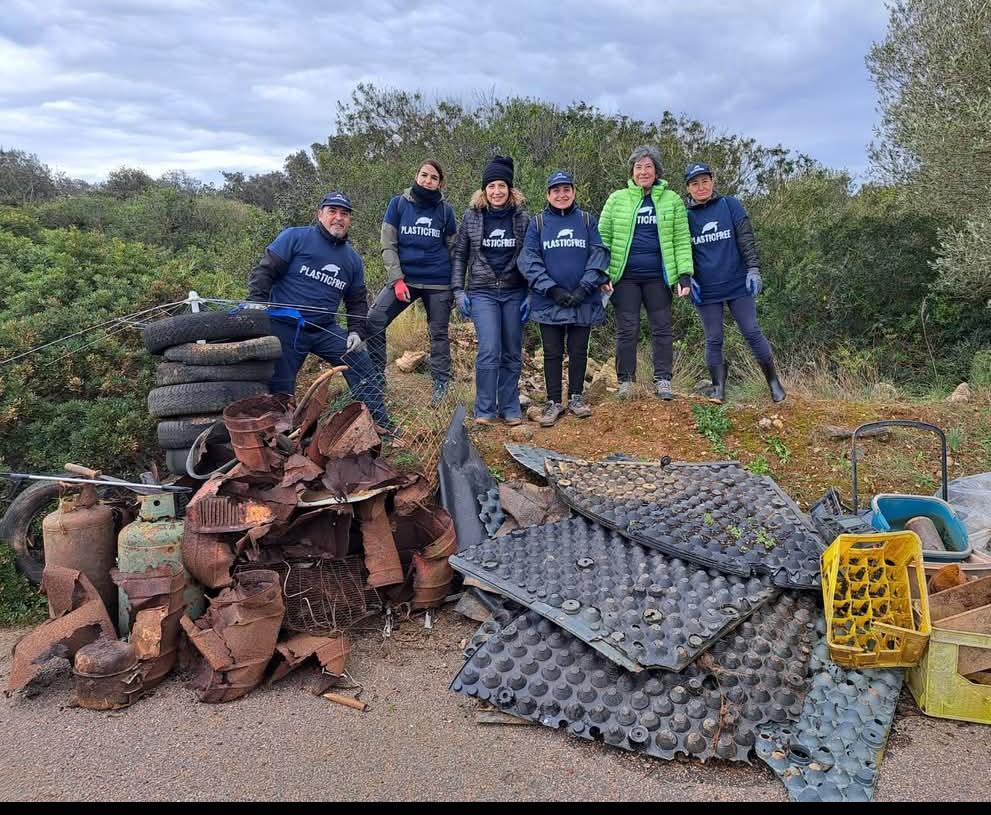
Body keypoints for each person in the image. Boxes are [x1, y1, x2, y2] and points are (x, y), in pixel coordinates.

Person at [246, 190, 391, 426]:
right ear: (320, 215)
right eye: (332, 211)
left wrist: (356, 331)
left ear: (350, 220)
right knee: (280, 386)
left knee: (362, 364)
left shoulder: (352, 259)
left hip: (324, 328)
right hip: (285, 326)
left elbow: (356, 301)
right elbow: (265, 271)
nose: (338, 218)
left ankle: (381, 424)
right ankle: (279, 433)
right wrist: (256, 300)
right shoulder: (295, 237)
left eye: (344, 213)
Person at [683, 162, 785, 403]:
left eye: (705, 181)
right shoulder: (685, 217)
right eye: (695, 184)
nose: (701, 187)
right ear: (688, 188)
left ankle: (773, 382)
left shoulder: (730, 205)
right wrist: (686, 277)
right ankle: (718, 387)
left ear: (713, 181)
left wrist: (754, 269)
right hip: (706, 289)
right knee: (714, 337)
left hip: (738, 284)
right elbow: (680, 250)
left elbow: (746, 239)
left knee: (751, 330)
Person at [599, 145, 694, 401]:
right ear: (632, 171)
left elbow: (682, 239)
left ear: (657, 171)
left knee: (662, 328)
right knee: (627, 329)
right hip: (625, 277)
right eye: (638, 167)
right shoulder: (616, 199)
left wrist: (684, 274)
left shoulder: (672, 200)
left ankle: (663, 379)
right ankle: (626, 381)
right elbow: (602, 238)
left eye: (648, 167)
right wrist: (602, 272)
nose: (643, 171)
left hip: (658, 277)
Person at [518, 170, 610, 426]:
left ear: (574, 192)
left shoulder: (586, 220)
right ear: (548, 194)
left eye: (566, 189)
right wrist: (552, 289)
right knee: (551, 352)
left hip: (583, 298)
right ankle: (553, 401)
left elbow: (599, 254)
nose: (561, 194)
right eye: (556, 190)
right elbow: (529, 259)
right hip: (549, 300)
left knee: (579, 350)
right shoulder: (538, 224)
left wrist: (584, 287)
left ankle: (577, 397)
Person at [365, 160, 458, 405]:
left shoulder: (445, 211)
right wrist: (396, 279)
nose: (428, 180)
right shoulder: (398, 205)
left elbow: (453, 251)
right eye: (424, 175)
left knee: (438, 333)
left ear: (440, 183)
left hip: (439, 282)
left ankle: (440, 385)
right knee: (374, 319)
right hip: (405, 279)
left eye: (434, 177)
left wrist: (456, 287)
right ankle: (376, 377)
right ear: (416, 176)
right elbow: (388, 244)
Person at [451, 155, 531, 426]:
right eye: (491, 186)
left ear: (510, 189)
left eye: (502, 185)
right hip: (482, 291)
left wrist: (531, 293)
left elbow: (531, 256)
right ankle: (484, 408)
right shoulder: (472, 216)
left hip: (514, 291)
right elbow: (460, 254)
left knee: (511, 350)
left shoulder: (522, 218)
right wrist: (458, 291)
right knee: (489, 349)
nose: (496, 191)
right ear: (484, 190)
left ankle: (509, 406)